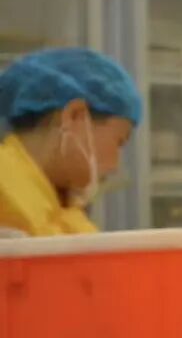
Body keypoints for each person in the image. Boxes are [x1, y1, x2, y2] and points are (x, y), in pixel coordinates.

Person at [0, 48, 142, 236]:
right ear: (74, 115)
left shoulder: (52, 204)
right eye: (119, 141)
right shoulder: (9, 196)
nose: (115, 166)